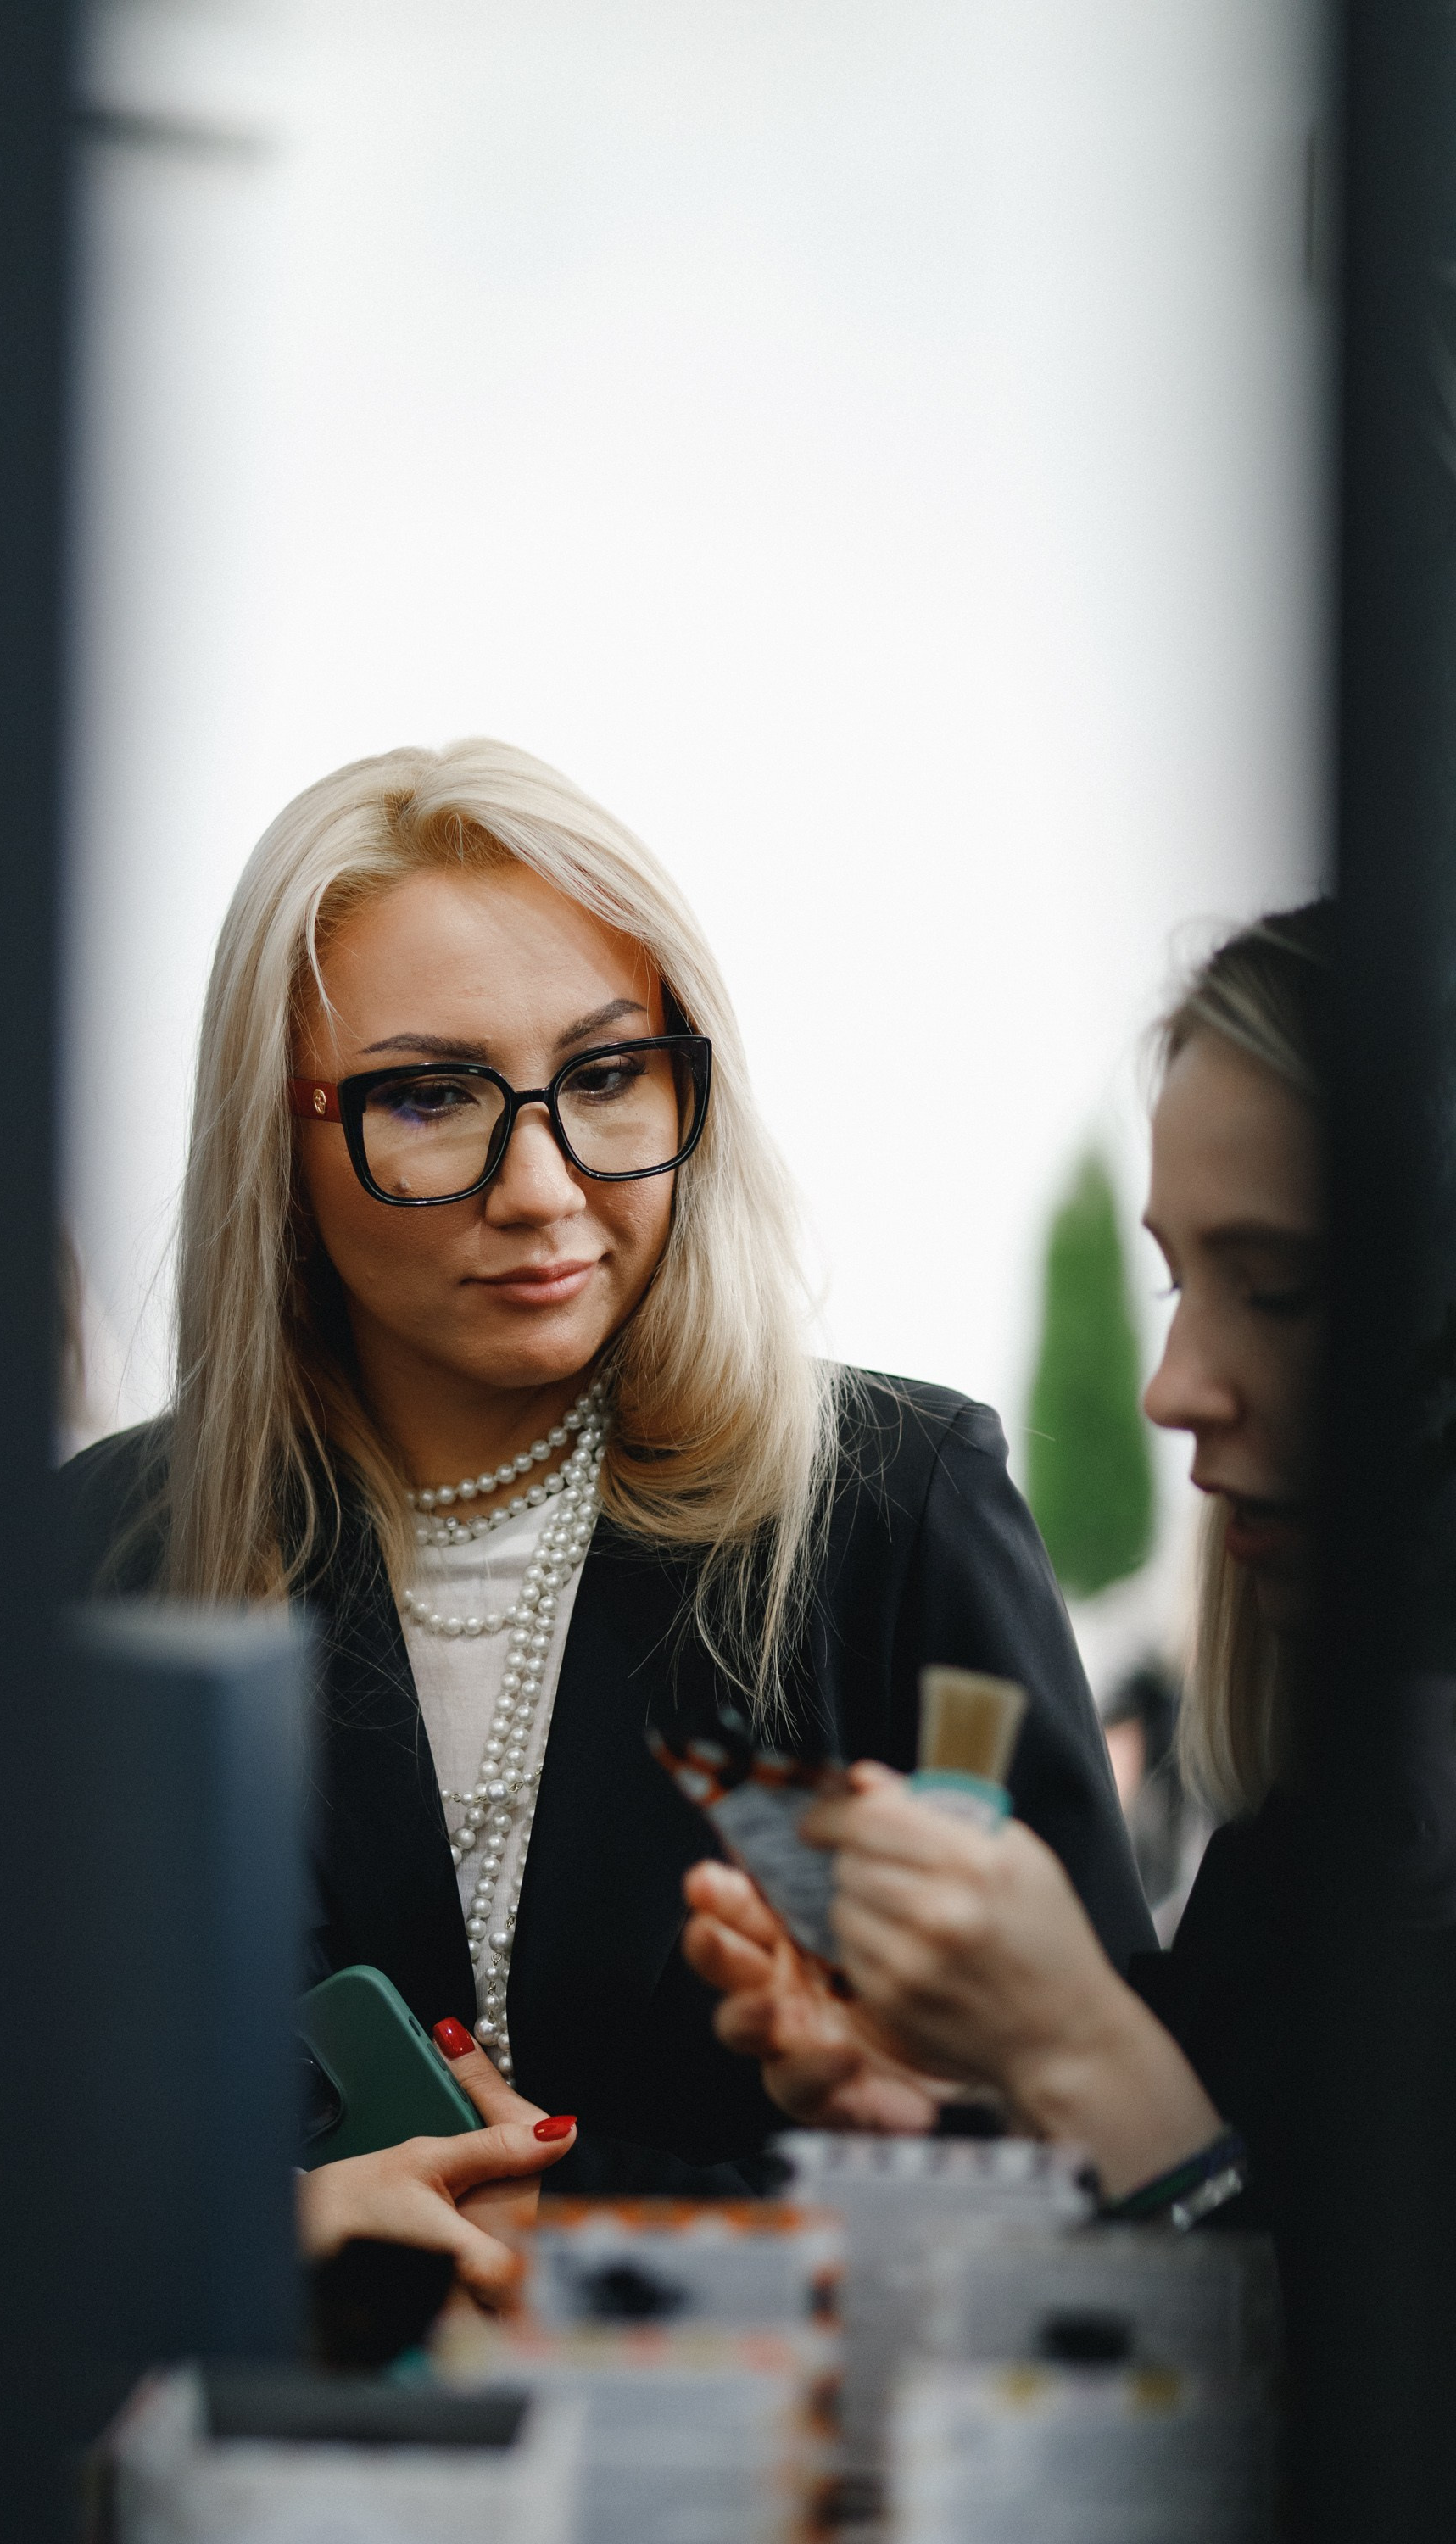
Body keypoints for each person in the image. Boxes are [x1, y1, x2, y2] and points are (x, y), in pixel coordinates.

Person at [57, 738, 1149, 2248]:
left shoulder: (893, 1511)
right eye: (430, 1096)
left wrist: (924, 2104)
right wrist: (259, 2243)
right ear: (276, 1136)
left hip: (787, 2461)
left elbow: (1131, 2139)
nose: (545, 1187)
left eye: (607, 1075)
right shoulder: (101, 1556)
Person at [683, 901, 1333, 2229]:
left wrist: (1078, 2050)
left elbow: (1314, 2398)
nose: (1168, 1391)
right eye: (1175, 1285)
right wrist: (963, 2099)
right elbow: (1256, 2156)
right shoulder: (1308, 1859)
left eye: (1275, 1288)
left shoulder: (904, 1479)